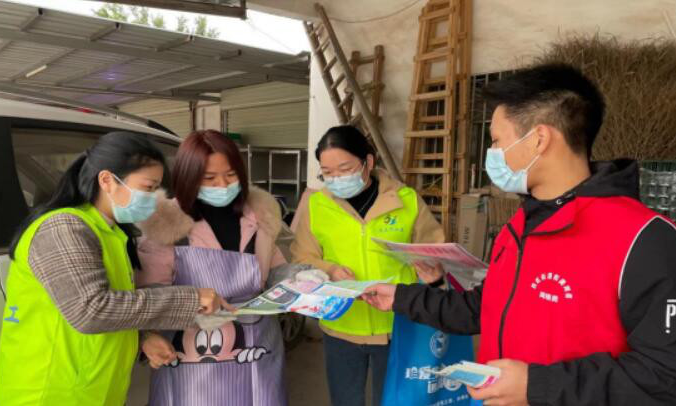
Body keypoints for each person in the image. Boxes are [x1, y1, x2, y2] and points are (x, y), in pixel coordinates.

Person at [363, 63, 676, 405]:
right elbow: (486, 307)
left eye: (497, 141)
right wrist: (401, 298)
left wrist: (535, 386)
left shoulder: (644, 238)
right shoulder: (521, 225)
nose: (492, 154)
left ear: (539, 139)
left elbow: (664, 376)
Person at [0, 132, 230, 406]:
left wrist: (141, 338)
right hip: (50, 394)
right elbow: (91, 310)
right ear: (107, 180)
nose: (153, 198)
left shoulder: (111, 232)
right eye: (148, 188)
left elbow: (115, 307)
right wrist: (191, 299)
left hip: (95, 392)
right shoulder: (63, 228)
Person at [290, 125, 444, 406]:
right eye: (327, 172)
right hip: (341, 325)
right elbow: (302, 259)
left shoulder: (405, 200)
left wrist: (432, 272)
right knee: (345, 401)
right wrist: (329, 269)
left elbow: (435, 252)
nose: (336, 179)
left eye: (345, 169)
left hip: (397, 325)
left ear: (368, 162)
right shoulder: (317, 205)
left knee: (395, 401)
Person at [136, 130, 289, 405]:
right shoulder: (167, 225)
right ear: (188, 177)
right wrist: (150, 334)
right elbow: (148, 297)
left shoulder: (259, 216)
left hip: (257, 348)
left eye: (231, 175)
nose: (222, 185)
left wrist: (303, 279)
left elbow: (276, 270)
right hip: (192, 359)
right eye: (209, 178)